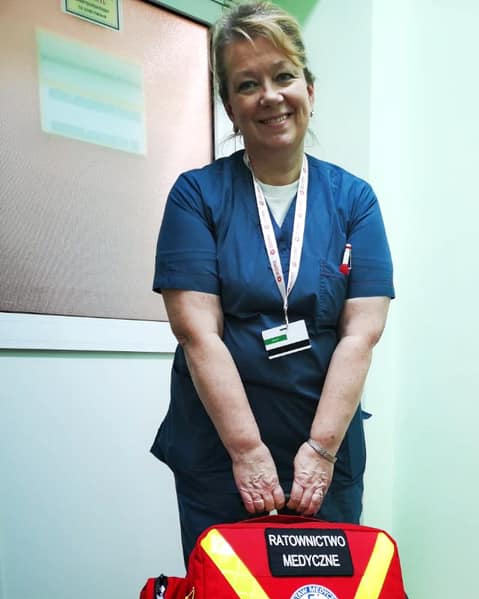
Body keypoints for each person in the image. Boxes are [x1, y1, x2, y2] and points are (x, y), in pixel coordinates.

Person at [151, 1, 394, 565]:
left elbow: (362, 332)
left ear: (309, 89)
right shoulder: (196, 195)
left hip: (326, 448)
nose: (270, 96)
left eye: (283, 76)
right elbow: (197, 332)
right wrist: (246, 450)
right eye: (247, 84)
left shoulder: (354, 200)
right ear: (229, 108)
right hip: (220, 449)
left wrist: (322, 450)